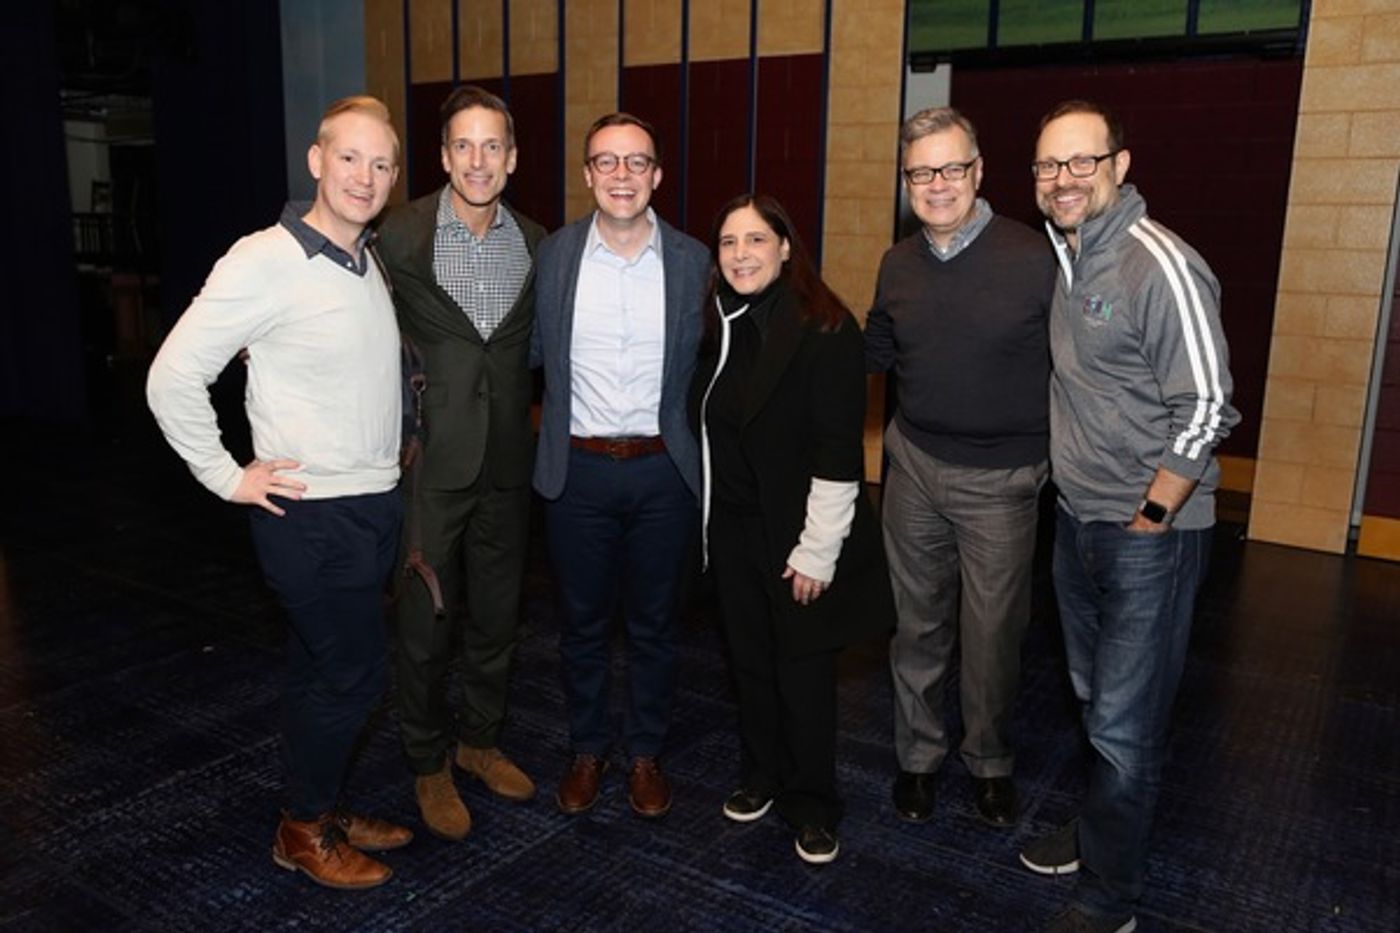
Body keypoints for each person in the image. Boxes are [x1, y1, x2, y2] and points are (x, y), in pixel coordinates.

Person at [146, 96, 412, 889]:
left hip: (370, 506)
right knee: (356, 673)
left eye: (381, 163)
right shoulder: (263, 257)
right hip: (309, 515)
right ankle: (301, 829)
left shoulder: (368, 259)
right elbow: (172, 378)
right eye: (351, 157)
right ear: (316, 161)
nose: (365, 176)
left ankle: (319, 800)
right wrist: (228, 474)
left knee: (316, 668)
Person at [1018, 100, 1239, 933]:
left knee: (1124, 720)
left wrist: (1152, 512)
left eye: (1081, 162)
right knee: (1092, 698)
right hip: (1077, 523)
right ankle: (1099, 828)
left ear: (1119, 164)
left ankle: (1111, 900)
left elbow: (1210, 404)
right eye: (1047, 166)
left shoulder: (1158, 263)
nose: (1063, 180)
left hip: (1150, 535)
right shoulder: (1066, 255)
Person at [865, 107, 1054, 828]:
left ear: (978, 173)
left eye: (950, 168)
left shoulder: (1033, 257)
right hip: (912, 463)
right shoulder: (897, 262)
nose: (936, 184)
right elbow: (874, 348)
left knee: (993, 634)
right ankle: (918, 757)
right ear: (906, 180)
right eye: (921, 172)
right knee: (915, 626)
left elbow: (1076, 365)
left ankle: (990, 761)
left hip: (1003, 480)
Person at [699, 194, 893, 864]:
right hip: (732, 529)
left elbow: (840, 454)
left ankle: (813, 802)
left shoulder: (827, 326)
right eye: (728, 242)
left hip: (799, 534)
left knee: (803, 672)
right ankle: (762, 776)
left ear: (787, 247)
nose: (742, 254)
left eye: (757, 239)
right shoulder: (719, 319)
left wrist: (817, 550)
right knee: (749, 663)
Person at [376, 85, 545, 842]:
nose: (478, 161)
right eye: (462, 146)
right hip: (430, 465)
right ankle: (427, 760)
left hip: (510, 464)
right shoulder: (398, 236)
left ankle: (479, 740)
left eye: (492, 146)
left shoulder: (541, 243)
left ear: (511, 158)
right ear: (444, 156)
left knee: (499, 617)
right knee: (424, 622)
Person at [530, 113, 708, 818]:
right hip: (577, 472)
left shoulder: (696, 260)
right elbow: (523, 351)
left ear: (658, 175)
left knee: (656, 625)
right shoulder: (555, 255)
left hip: (664, 470)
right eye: (607, 162)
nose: (622, 175)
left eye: (637, 162)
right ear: (587, 175)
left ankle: (644, 753)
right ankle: (587, 748)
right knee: (579, 625)